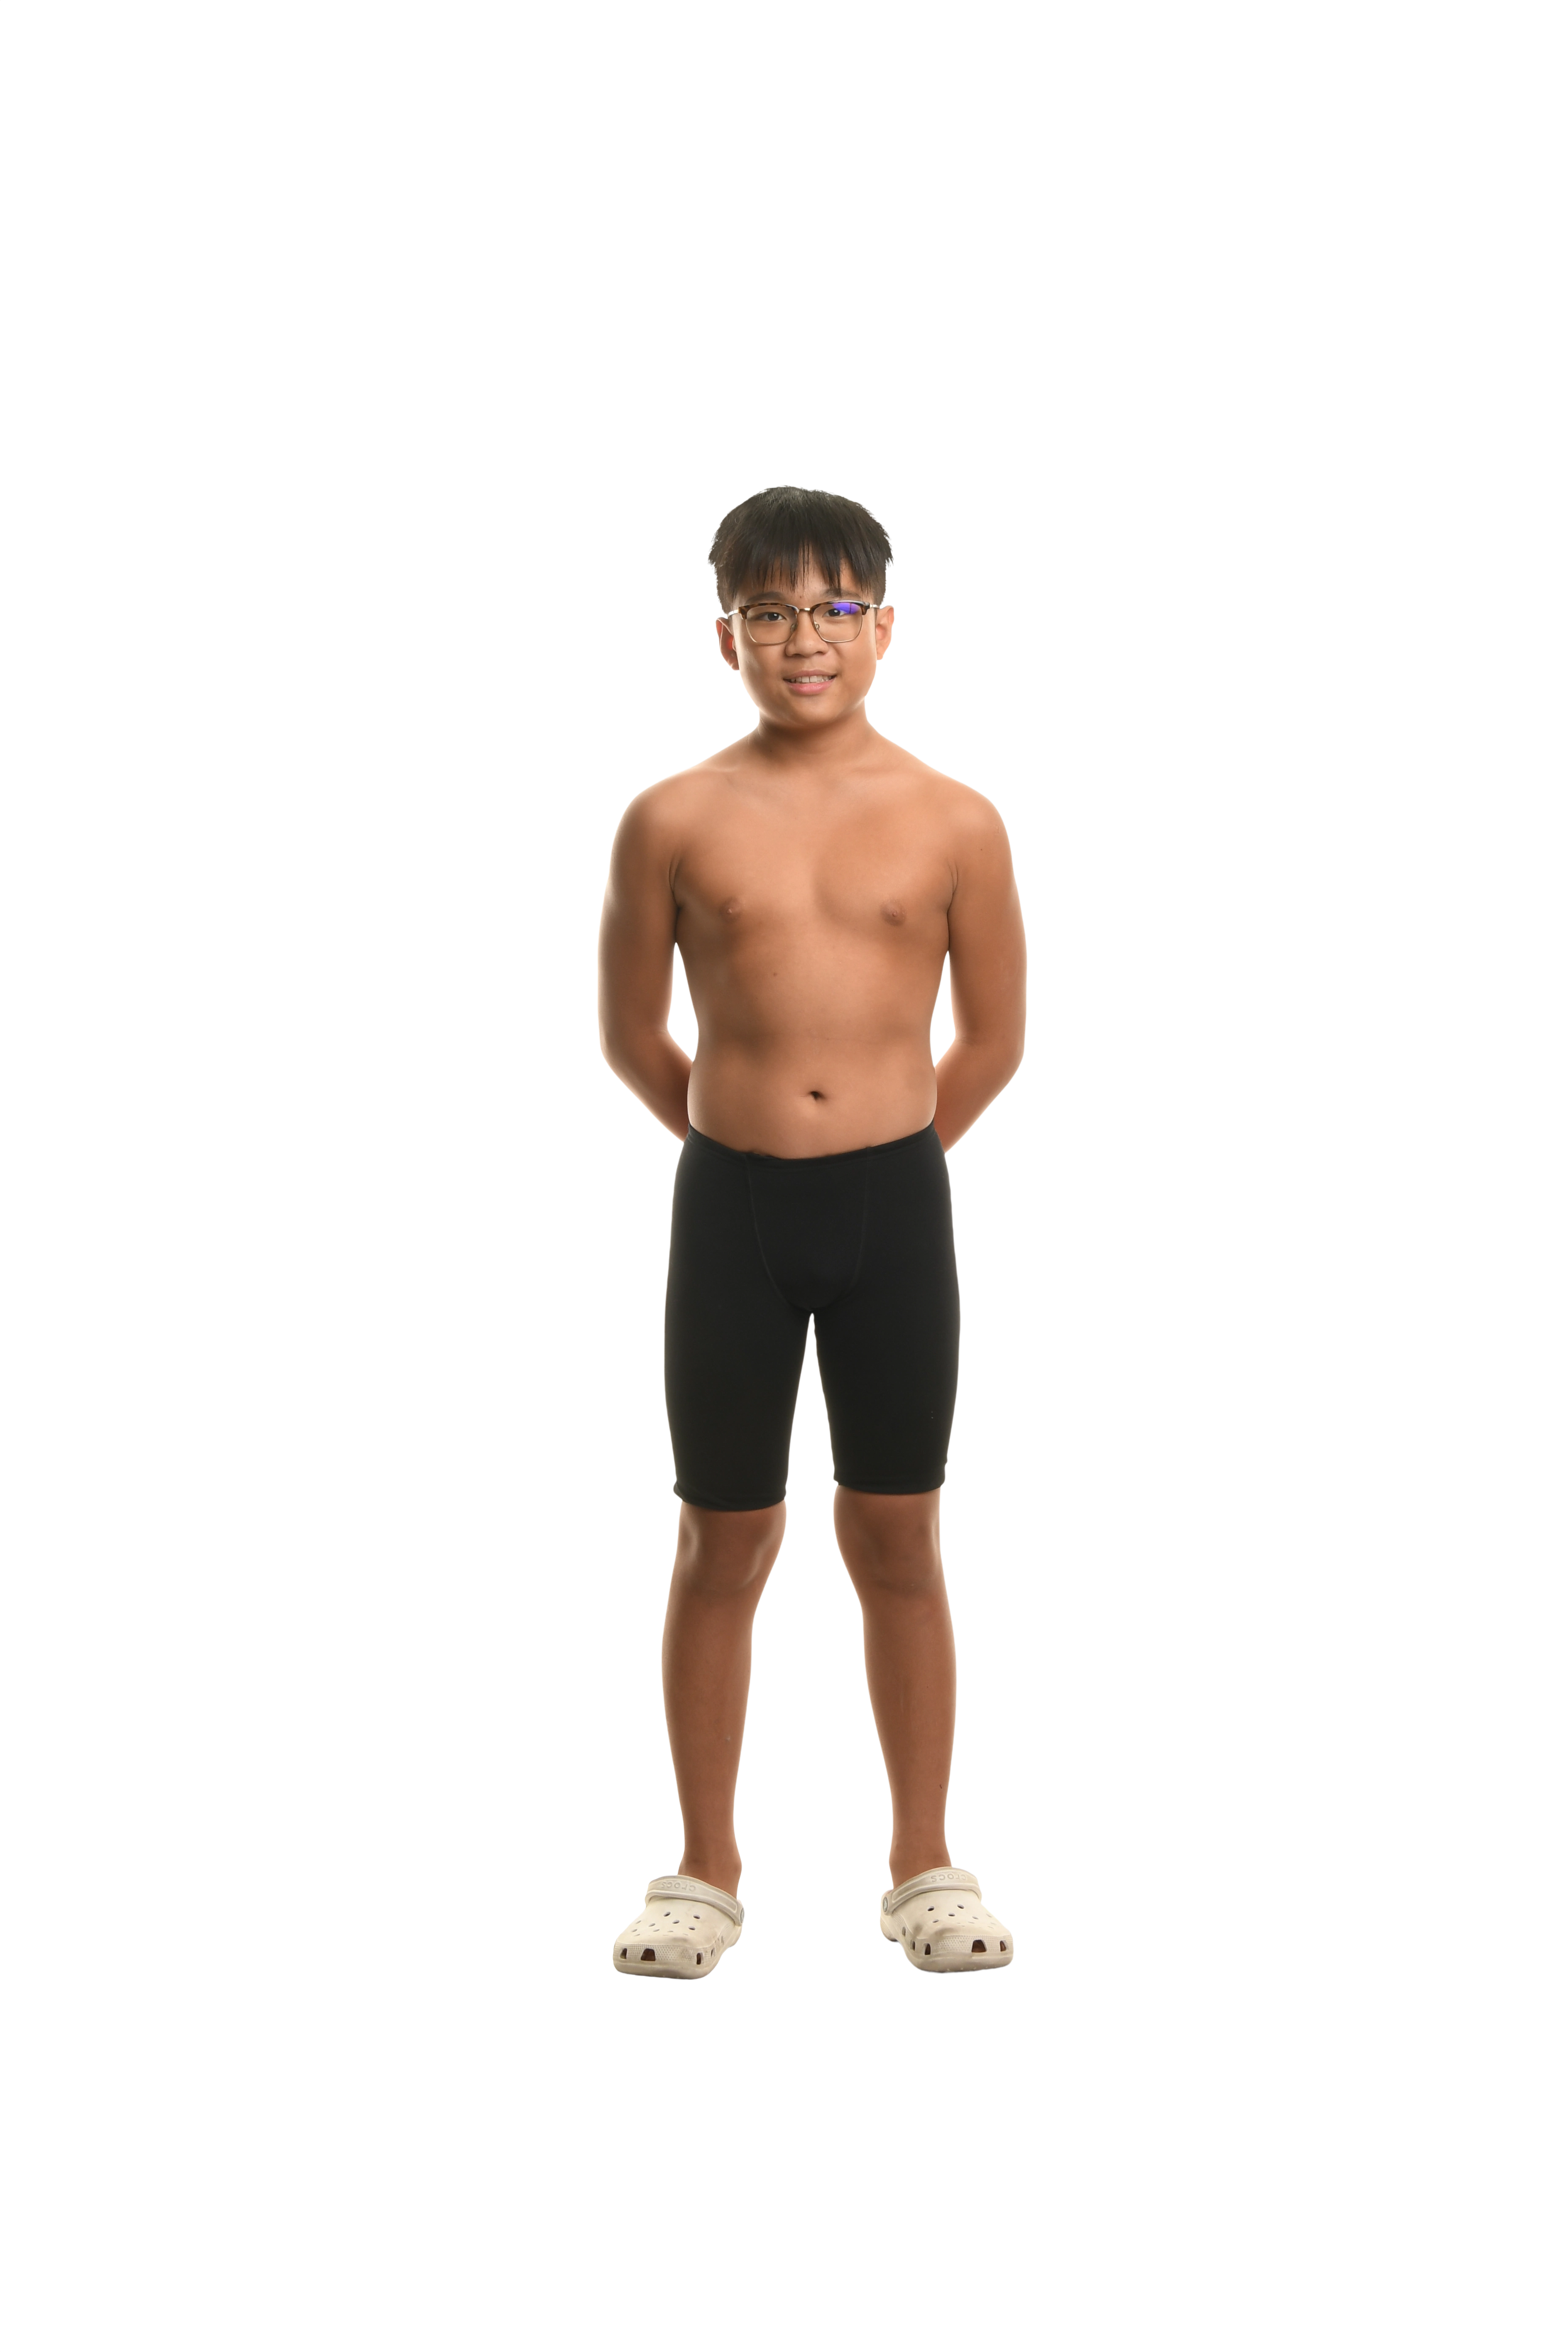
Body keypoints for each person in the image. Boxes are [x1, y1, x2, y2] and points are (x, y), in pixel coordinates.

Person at [598, 485, 1027, 1977]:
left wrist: (882, 1163)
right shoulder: (671, 818)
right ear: (726, 636)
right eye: (769, 611)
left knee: (899, 1532)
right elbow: (630, 1034)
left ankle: (924, 1865)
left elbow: (996, 1040)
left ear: (885, 627)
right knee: (722, 1537)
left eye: (837, 608)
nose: (805, 639)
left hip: (897, 1202)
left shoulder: (957, 819)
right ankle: (704, 1873)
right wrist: (749, 1157)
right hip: (731, 1205)